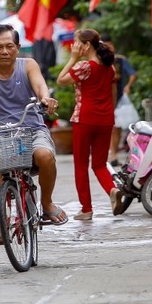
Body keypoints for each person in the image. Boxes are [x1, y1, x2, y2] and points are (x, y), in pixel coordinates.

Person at [0, 24, 67, 244]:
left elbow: (40, 86)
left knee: (45, 156)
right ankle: (2, 225)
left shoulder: (28, 65)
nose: (4, 51)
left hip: (32, 128)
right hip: (3, 133)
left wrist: (45, 98)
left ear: (18, 47)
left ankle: (47, 203)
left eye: (9, 46)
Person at [56, 29, 124, 219]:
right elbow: (113, 96)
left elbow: (61, 81)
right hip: (106, 119)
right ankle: (112, 189)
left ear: (86, 46)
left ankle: (86, 209)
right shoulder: (110, 68)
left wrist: (72, 58)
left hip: (84, 119)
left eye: (77, 43)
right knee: (100, 164)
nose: (74, 46)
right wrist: (108, 113)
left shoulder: (84, 66)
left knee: (80, 165)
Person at [101, 35, 137, 166]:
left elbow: (133, 74)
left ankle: (113, 155)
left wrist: (128, 86)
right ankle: (110, 155)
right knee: (110, 128)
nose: (108, 48)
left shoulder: (120, 61)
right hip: (103, 98)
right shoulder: (99, 61)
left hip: (118, 98)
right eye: (105, 46)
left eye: (110, 45)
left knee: (116, 127)